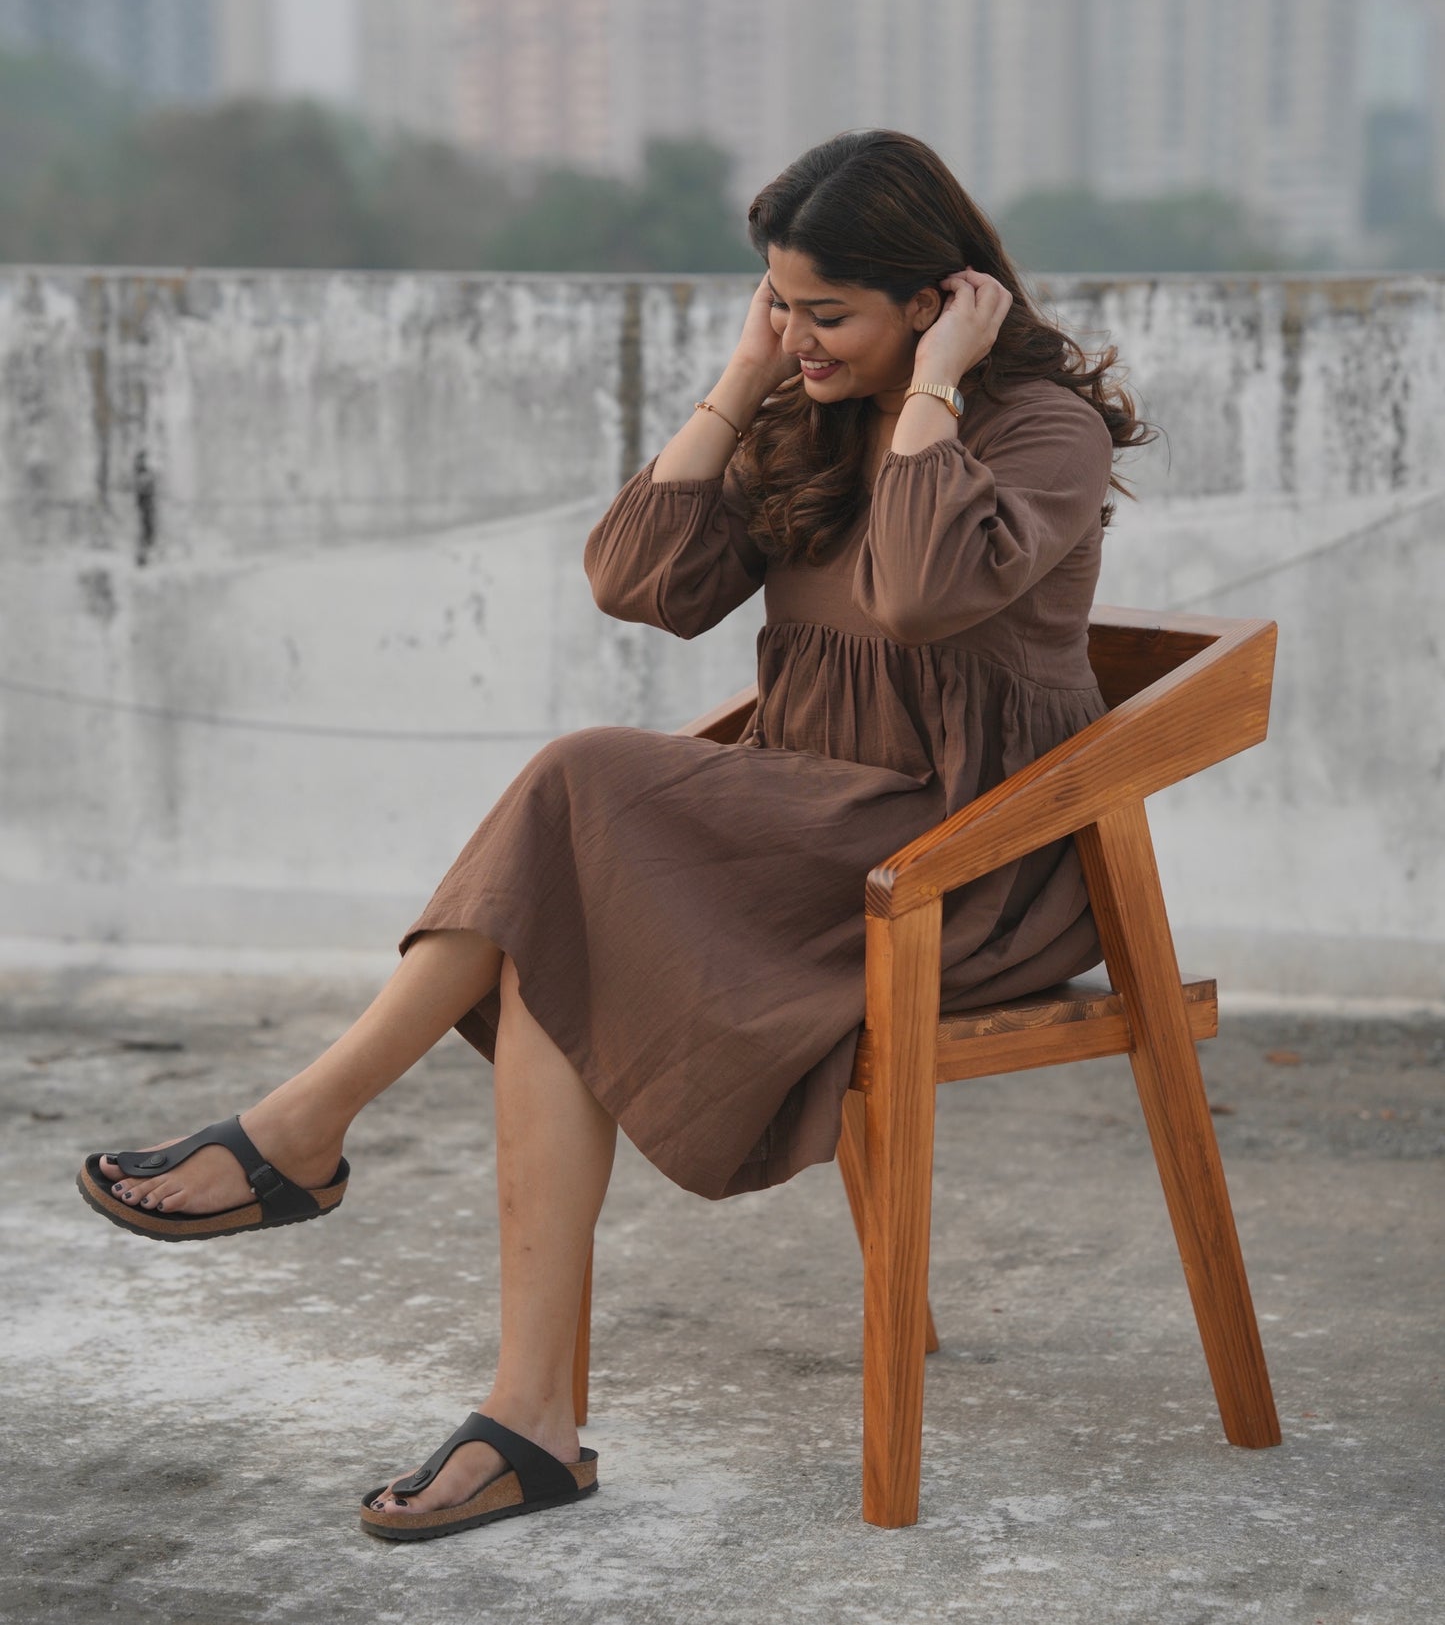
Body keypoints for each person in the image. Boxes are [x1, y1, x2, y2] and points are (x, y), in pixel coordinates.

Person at [77, 128, 1151, 1543]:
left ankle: (304, 1132)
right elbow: (635, 581)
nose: (796, 336)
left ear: (933, 299)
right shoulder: (809, 402)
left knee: (578, 782)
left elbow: (914, 596)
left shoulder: (1035, 430)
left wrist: (936, 394)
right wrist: (743, 381)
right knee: (549, 933)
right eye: (777, 301)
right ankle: (527, 1416)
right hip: (803, 833)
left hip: (960, 865)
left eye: (826, 313)